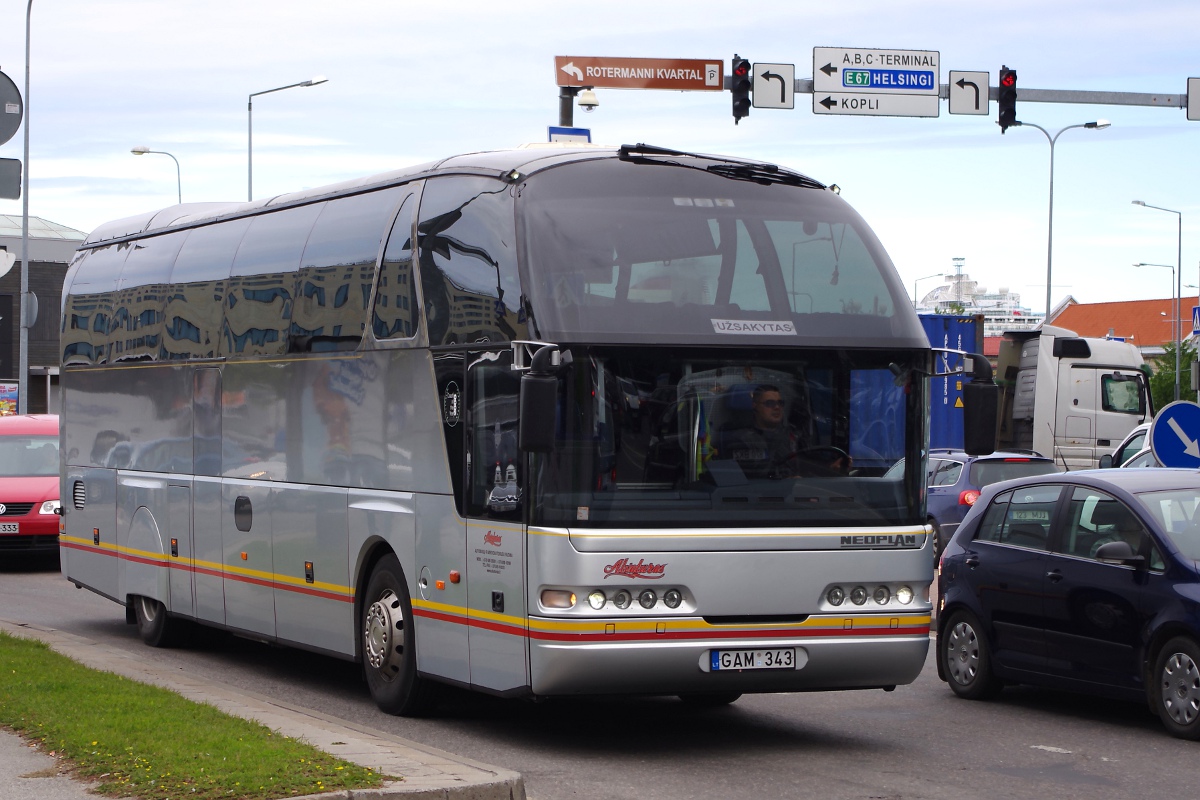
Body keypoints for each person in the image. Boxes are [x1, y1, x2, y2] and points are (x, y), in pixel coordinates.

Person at [723, 385, 848, 478]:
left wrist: (830, 467)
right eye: (770, 403)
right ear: (755, 406)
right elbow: (749, 476)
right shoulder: (741, 439)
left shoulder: (794, 435)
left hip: (795, 499)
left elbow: (808, 464)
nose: (777, 407)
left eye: (780, 403)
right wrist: (786, 480)